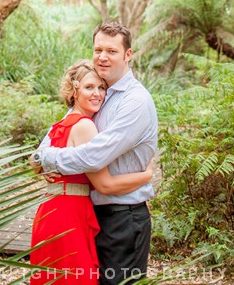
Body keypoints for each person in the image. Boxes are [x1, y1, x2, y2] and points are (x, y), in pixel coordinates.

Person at [36, 22, 158, 285]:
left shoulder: (134, 101)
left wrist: (48, 160)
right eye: (98, 50)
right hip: (90, 214)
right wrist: (41, 157)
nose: (103, 57)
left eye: (111, 51)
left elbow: (94, 156)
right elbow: (50, 140)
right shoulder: (97, 96)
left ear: (128, 54)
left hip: (123, 217)